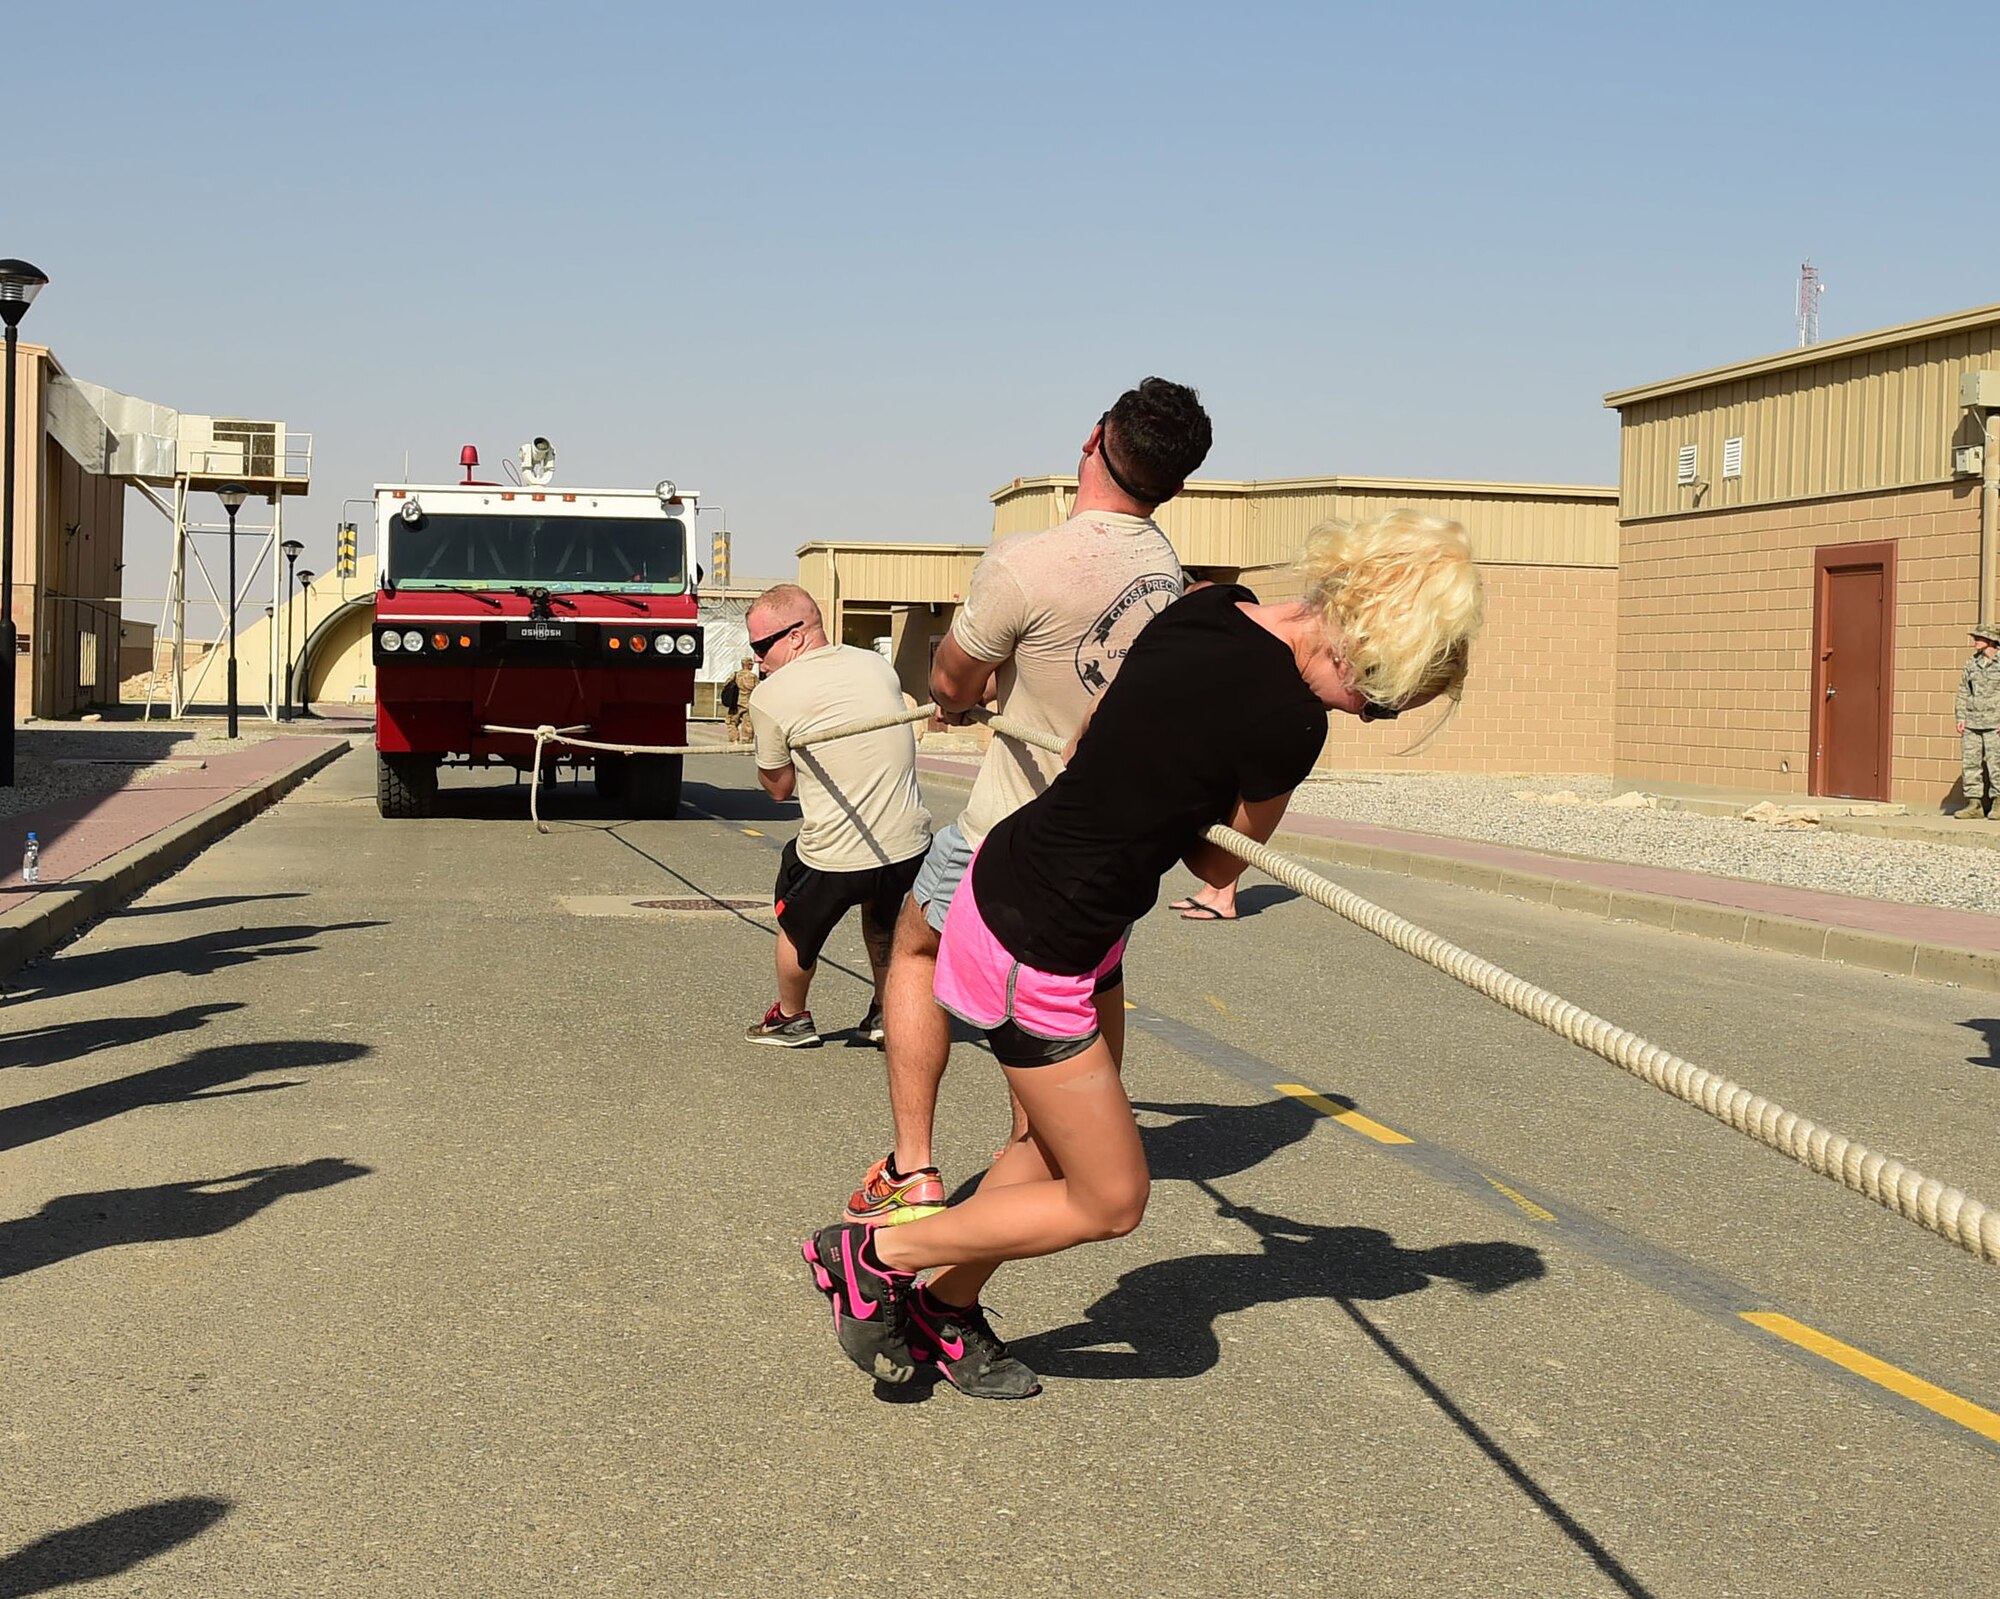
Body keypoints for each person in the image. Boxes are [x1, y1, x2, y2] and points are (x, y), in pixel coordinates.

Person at [804, 511, 1485, 1398]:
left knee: (1055, 1148)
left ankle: (945, 1305)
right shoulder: (1291, 724)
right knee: (1112, 1198)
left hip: (1041, 891)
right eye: (1384, 696)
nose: (1368, 712)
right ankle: (872, 1254)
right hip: (1038, 939)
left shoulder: (1209, 605)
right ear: (1368, 645)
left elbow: (1090, 734)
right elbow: (1213, 864)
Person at [846, 377, 1214, 1233]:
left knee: (912, 949)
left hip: (1004, 835)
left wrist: (964, 684)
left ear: (1092, 438)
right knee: (1051, 1016)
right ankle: (1021, 1174)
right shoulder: (1167, 576)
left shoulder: (1024, 559)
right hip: (1104, 858)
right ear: (1176, 484)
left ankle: (915, 1170)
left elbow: (950, 681)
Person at [743, 585, 931, 1047]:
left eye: (761, 647)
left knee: (795, 923)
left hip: (835, 856)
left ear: (796, 635)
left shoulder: (772, 694)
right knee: (884, 920)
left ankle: (789, 1018)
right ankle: (886, 1012)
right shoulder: (874, 663)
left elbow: (779, 789)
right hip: (906, 845)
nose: (758, 660)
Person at [1954, 622, 2000, 819]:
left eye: (1979, 638)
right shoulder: (1971, 663)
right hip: (1973, 721)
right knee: (1970, 763)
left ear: (1991, 640)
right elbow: (1964, 690)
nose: (1975, 640)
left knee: (1996, 763)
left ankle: (1998, 803)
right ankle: (1974, 805)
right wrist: (1961, 717)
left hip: (1995, 723)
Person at [726, 656, 759, 744]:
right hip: (748, 704)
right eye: (751, 665)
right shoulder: (753, 676)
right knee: (748, 724)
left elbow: (727, 685)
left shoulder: (735, 675)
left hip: (735, 703)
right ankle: (746, 744)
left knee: (731, 722)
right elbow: (758, 689)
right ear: (748, 665)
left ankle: (734, 741)